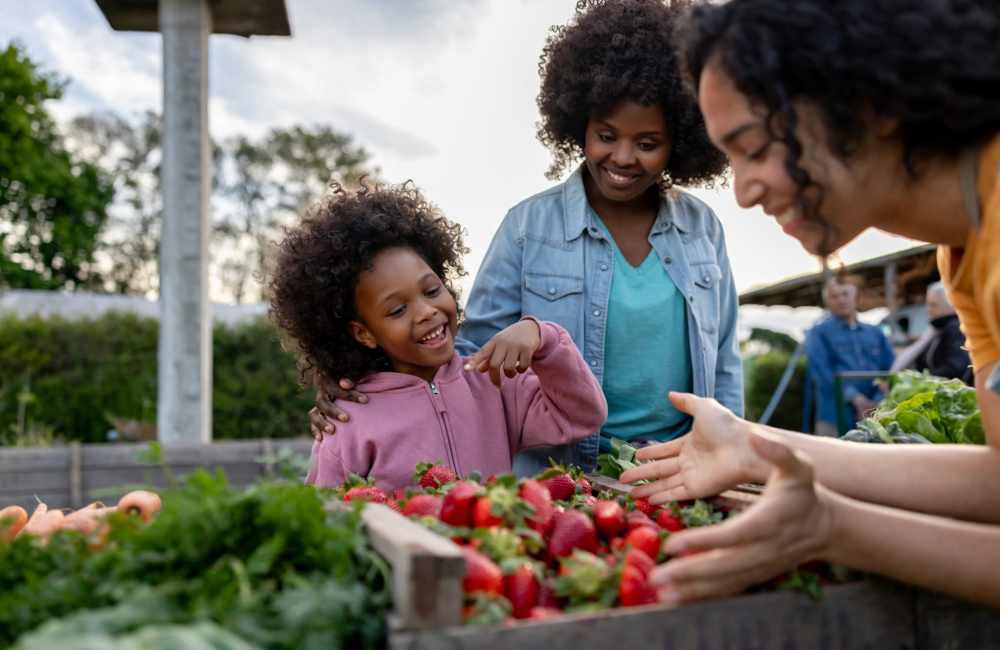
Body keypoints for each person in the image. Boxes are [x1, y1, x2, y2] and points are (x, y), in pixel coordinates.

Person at [620, 0, 1000, 608]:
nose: (742, 193)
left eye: (755, 148)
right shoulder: (964, 253)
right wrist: (753, 447)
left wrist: (835, 529)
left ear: (864, 103)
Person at [309, 0, 741, 476]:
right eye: (606, 134)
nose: (622, 157)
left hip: (681, 466)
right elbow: (465, 357)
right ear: (579, 125)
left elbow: (722, 360)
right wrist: (358, 384)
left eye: (647, 143)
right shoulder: (527, 227)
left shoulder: (703, 230)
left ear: (680, 140)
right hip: (563, 473)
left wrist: (733, 449)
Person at [268, 183, 607, 490]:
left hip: (497, 554)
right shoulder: (348, 422)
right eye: (398, 310)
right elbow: (329, 521)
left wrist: (543, 337)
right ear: (364, 333)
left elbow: (582, 416)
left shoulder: (493, 380)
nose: (426, 311)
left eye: (431, 290)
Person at [804, 278, 895, 435]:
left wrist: (877, 400)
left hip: (877, 416)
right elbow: (822, 373)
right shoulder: (818, 333)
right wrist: (856, 399)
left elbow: (890, 369)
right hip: (834, 416)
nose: (841, 300)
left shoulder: (876, 333)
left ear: (855, 297)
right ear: (827, 301)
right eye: (834, 296)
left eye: (845, 294)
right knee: (833, 458)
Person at [892, 282, 973, 384]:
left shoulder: (954, 328)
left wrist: (922, 380)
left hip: (948, 390)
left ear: (949, 305)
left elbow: (955, 366)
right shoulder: (936, 329)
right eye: (928, 304)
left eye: (933, 305)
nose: (928, 310)